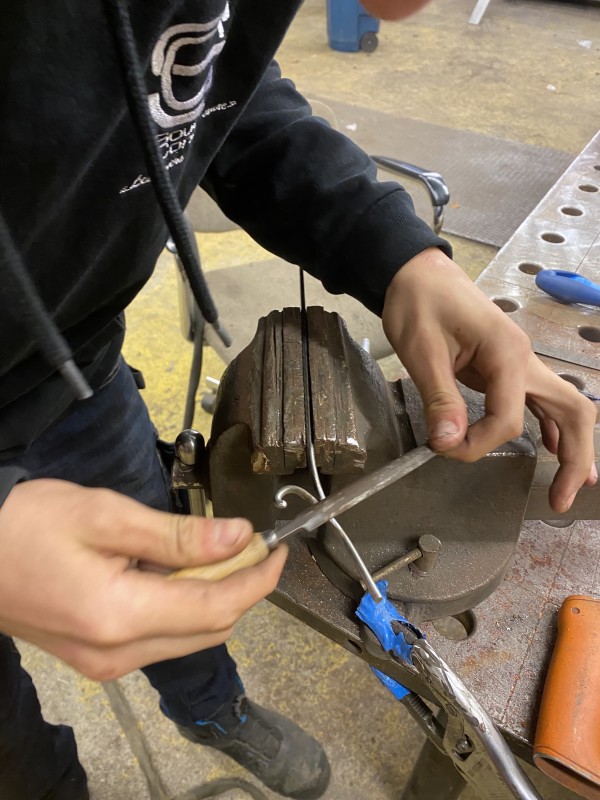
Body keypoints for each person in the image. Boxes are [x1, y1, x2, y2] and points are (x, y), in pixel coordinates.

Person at [0, 1, 596, 798]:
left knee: (171, 578)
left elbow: (217, 100)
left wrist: (399, 256)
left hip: (75, 369)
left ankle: (211, 708)